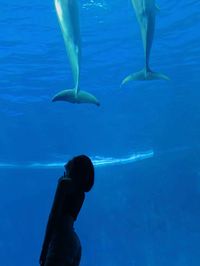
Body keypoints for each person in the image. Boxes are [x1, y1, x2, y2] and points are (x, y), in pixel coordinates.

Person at [39, 155, 95, 266]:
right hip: (75, 245)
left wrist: (44, 248)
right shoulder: (81, 193)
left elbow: (53, 216)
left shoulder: (64, 184)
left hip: (61, 241)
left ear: (75, 167)